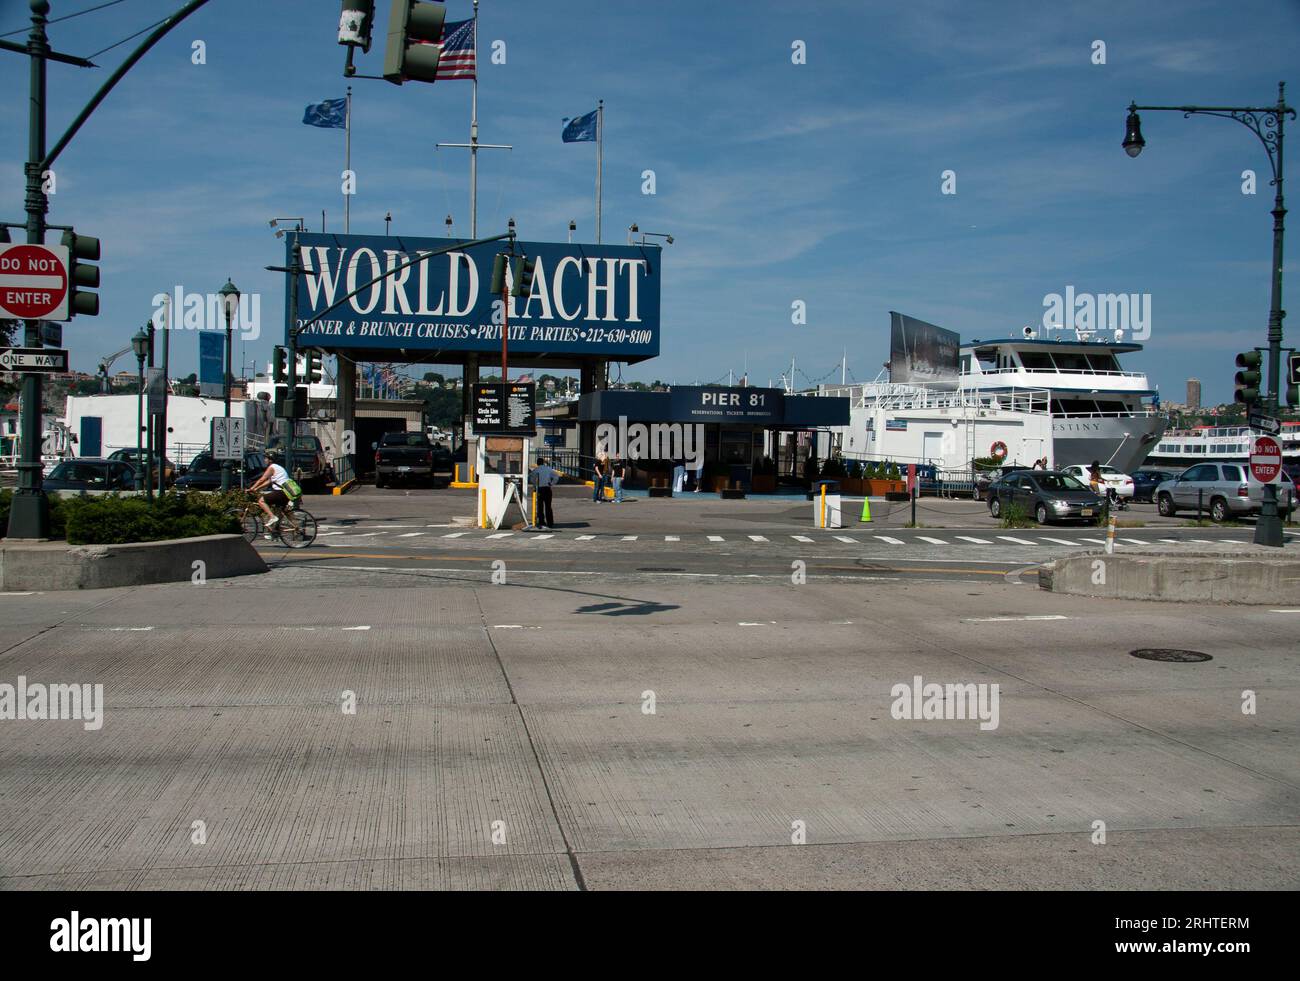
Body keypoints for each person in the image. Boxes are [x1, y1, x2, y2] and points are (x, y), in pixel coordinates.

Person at [249, 451, 293, 530]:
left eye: (266, 458)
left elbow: (262, 480)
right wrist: (256, 488)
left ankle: (272, 517)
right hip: (285, 492)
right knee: (278, 511)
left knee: (261, 501)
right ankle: (275, 532)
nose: (264, 460)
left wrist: (252, 488)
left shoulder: (272, 467)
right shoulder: (277, 467)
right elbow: (268, 481)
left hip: (281, 492)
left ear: (270, 460)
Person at [530, 458, 560, 528]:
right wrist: (552, 483)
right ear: (543, 463)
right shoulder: (548, 469)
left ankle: (541, 522)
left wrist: (535, 485)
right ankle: (550, 523)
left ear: (537, 463)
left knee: (540, 507)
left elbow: (531, 478)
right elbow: (556, 476)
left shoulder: (535, 470)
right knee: (548, 506)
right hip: (547, 488)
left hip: (539, 489)